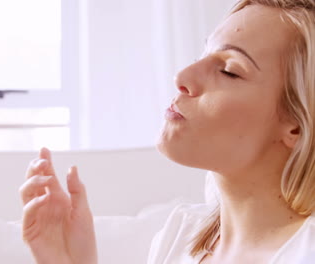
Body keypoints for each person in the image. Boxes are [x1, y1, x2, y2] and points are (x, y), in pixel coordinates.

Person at [19, 0, 315, 263]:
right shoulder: (180, 235)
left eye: (229, 70)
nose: (182, 76)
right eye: (203, 53)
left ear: (297, 126)